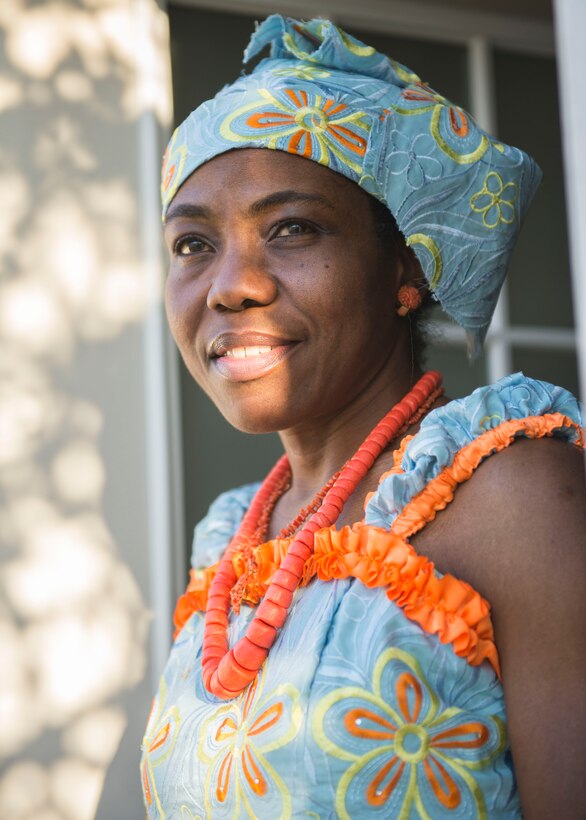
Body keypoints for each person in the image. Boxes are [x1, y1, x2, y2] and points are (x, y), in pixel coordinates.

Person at [141, 15, 586, 818]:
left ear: (403, 268)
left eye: (293, 229)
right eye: (192, 245)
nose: (229, 286)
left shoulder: (513, 494)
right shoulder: (232, 541)